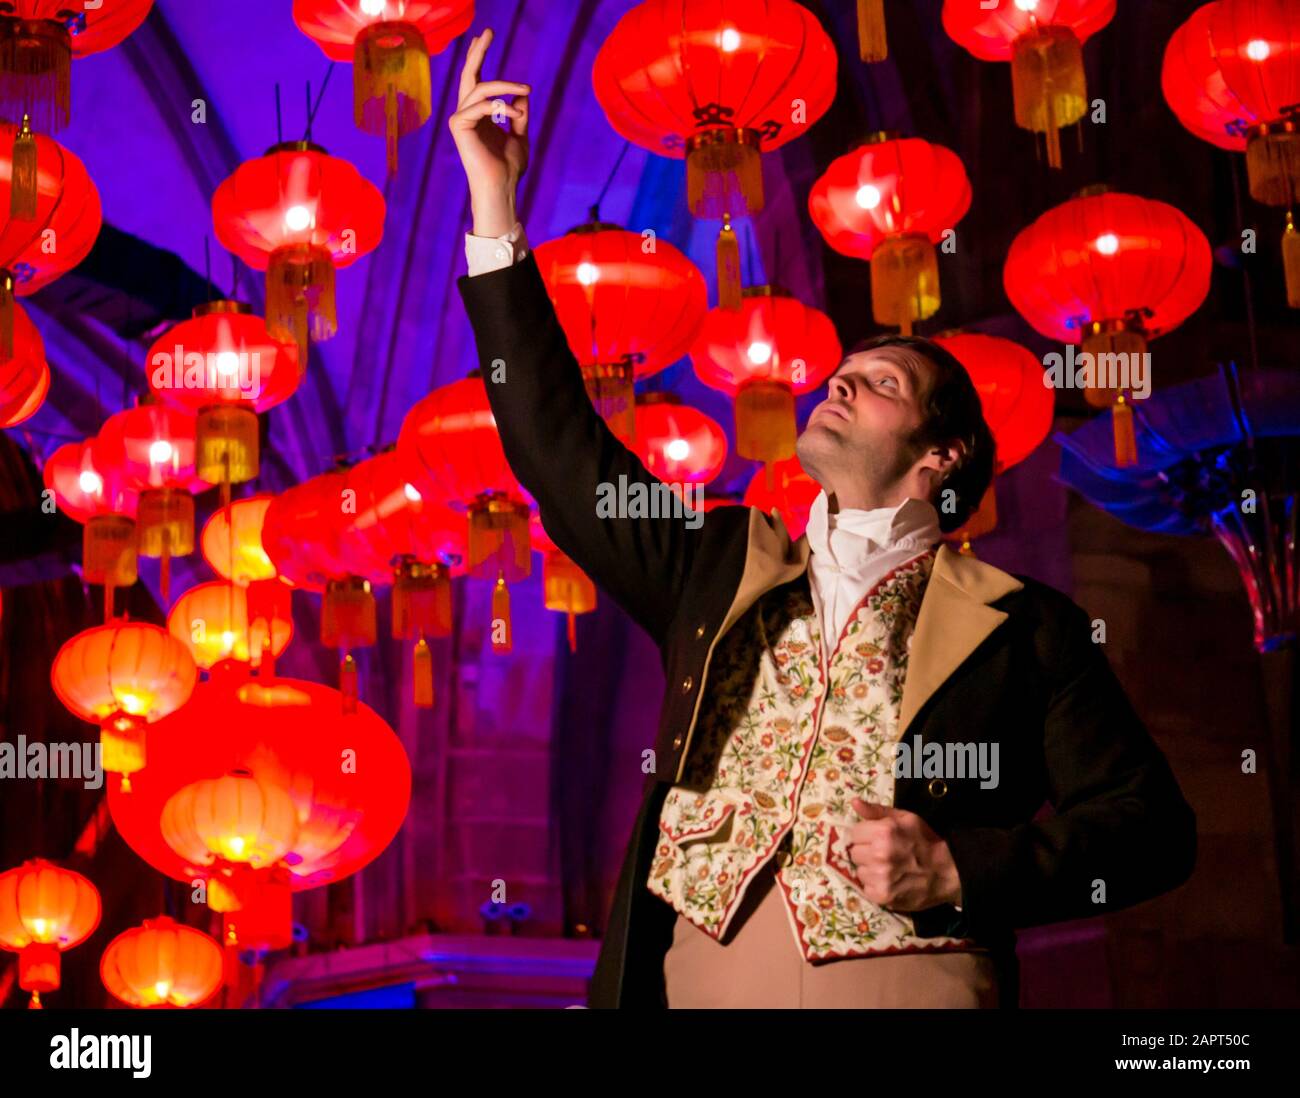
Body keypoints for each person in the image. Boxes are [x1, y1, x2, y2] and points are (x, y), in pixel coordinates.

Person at [447, 28, 1197, 1009]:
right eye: (840, 374)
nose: (839, 383)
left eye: (878, 382)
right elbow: (557, 453)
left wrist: (966, 866)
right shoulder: (716, 565)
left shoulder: (1028, 628)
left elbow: (1150, 829)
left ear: (943, 457)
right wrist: (495, 212)